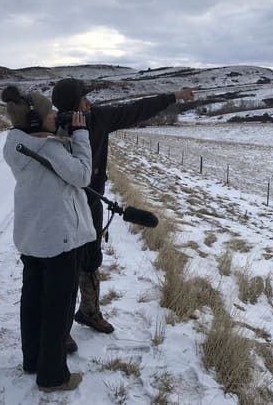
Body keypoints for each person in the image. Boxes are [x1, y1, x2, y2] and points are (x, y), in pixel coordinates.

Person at [51, 78, 194, 338]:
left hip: (91, 203)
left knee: (91, 260)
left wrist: (173, 96)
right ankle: (59, 330)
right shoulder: (49, 127)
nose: (90, 102)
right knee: (65, 266)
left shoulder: (99, 119)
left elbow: (138, 108)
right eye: (84, 99)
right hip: (61, 208)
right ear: (74, 104)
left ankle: (89, 311)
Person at [1, 86, 95, 392]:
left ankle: (33, 361)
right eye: (49, 112)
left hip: (33, 238)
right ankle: (54, 376)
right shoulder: (50, 149)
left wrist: (57, 133)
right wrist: (80, 135)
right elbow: (82, 176)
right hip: (61, 240)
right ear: (34, 122)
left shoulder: (17, 145)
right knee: (59, 307)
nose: (55, 114)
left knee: (32, 302)